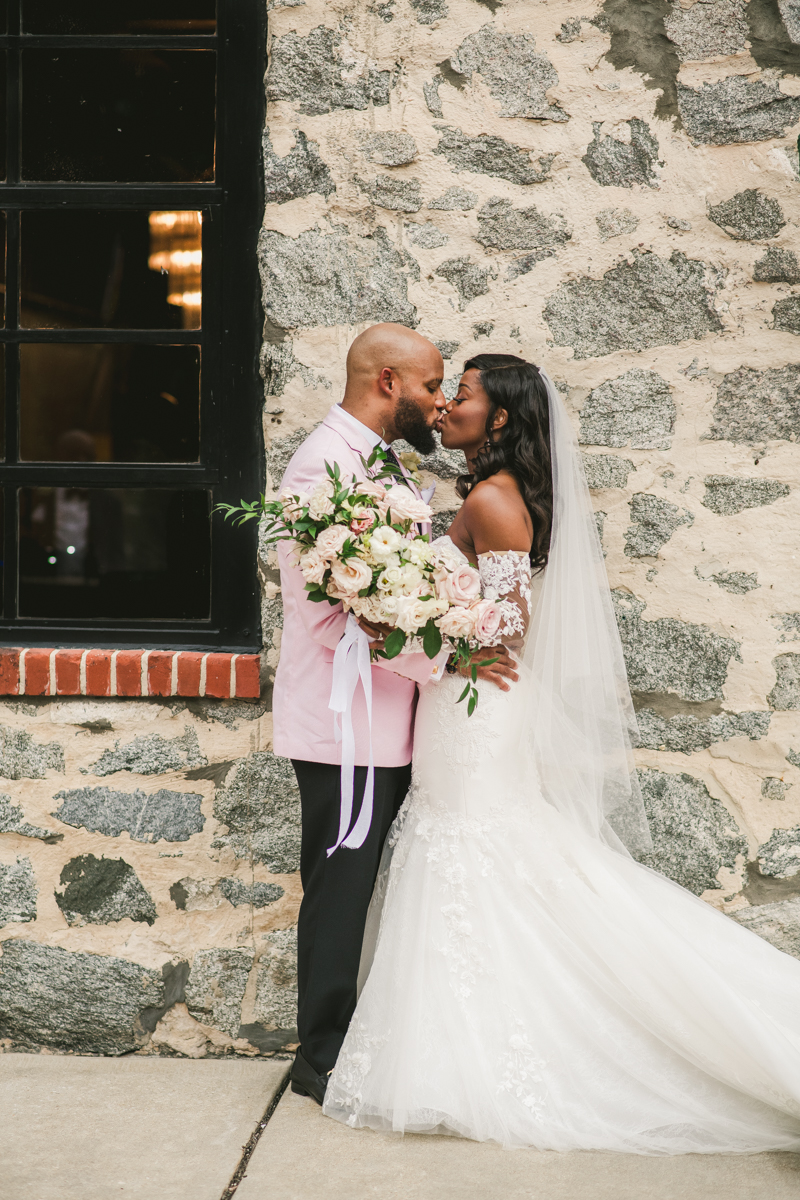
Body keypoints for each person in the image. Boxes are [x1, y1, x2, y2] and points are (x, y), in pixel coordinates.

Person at [322, 353, 800, 1153]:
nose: (447, 407)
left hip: (475, 710)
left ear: (501, 418)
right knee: (473, 857)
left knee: (476, 852)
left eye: (462, 396)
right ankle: (461, 1041)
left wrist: (402, 628)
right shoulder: (491, 493)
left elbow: (508, 626)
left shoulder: (493, 499)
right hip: (464, 705)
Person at [272, 326, 518, 1104]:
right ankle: (322, 1060)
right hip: (345, 726)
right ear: (387, 381)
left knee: (363, 887)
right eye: (430, 384)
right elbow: (337, 619)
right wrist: (451, 657)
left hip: (391, 720)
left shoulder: (379, 461)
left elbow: (395, 594)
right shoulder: (321, 467)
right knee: (341, 889)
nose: (440, 400)